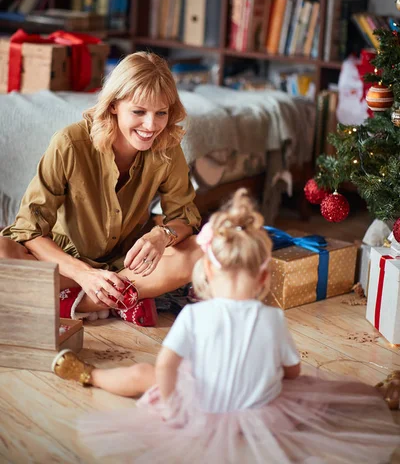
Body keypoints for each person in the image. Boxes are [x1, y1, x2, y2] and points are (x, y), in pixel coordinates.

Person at [52, 189, 400, 464]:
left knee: (142, 374)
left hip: (201, 403)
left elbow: (166, 366)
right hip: (261, 411)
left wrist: (173, 402)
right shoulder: (272, 318)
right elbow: (292, 374)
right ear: (264, 275)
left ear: (206, 272)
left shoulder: (193, 316)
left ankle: (88, 375)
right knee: (314, 393)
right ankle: (379, 396)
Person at [0, 51, 202, 325]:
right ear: (114, 105)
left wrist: (161, 236)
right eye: (139, 112)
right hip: (63, 266)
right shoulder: (70, 143)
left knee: (198, 251)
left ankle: (75, 302)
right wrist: (83, 274)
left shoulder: (167, 146)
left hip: (128, 265)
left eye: (161, 113)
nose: (151, 125)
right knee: (2, 251)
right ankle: (121, 300)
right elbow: (29, 231)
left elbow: (184, 217)